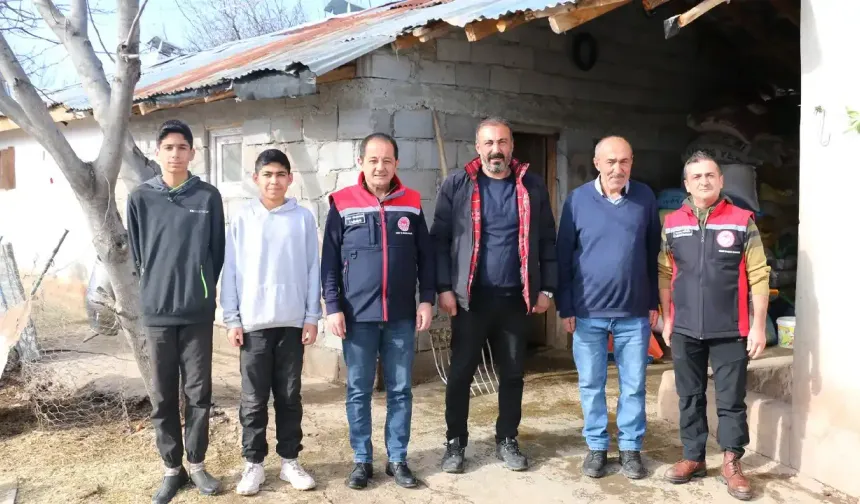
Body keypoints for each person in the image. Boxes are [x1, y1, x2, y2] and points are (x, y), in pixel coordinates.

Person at [432, 117, 558, 474]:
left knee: (514, 374)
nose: (496, 150)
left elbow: (548, 238)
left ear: (511, 146)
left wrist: (547, 288)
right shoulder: (458, 184)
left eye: (502, 142)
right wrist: (443, 288)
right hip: (470, 301)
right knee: (460, 374)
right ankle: (455, 442)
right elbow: (439, 240)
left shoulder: (531, 185)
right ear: (478, 147)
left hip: (515, 300)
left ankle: (507, 439)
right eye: (489, 143)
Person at [320, 133, 435, 490]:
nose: (380, 167)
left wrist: (426, 299)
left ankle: (398, 458)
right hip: (357, 317)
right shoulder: (341, 203)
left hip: (401, 315)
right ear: (361, 163)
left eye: (387, 160)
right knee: (358, 390)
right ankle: (361, 460)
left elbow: (426, 258)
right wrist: (333, 306)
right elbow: (329, 262)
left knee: (401, 389)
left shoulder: (412, 203)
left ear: (396, 164)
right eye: (373, 160)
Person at [659, 151, 770, 501]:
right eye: (696, 177)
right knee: (689, 396)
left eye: (710, 175)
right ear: (687, 185)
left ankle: (732, 462)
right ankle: (693, 457)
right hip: (686, 328)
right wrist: (667, 318)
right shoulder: (673, 222)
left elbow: (758, 275)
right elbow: (665, 272)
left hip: (730, 329)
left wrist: (758, 326)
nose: (704, 181)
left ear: (721, 181)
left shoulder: (741, 220)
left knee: (730, 400)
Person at [126, 119, 226, 503]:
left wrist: (201, 286)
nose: (175, 153)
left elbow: (216, 253)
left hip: (197, 313)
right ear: (158, 152)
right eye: (168, 147)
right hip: (157, 314)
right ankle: (172, 469)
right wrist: (157, 287)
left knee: (199, 393)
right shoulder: (140, 198)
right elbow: (139, 255)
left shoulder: (208, 197)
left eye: (182, 147)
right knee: (164, 396)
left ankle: (197, 465)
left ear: (192, 153)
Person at [555, 136, 661, 480]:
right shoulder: (577, 201)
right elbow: (563, 256)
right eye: (611, 162)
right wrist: (565, 305)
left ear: (632, 163)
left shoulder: (644, 197)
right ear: (597, 162)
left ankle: (630, 449)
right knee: (591, 383)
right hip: (587, 313)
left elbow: (650, 253)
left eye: (625, 162)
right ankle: (597, 448)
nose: (618, 168)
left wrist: (652, 302)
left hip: (633, 314)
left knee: (633, 384)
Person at [220, 149, 320, 496]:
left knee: (290, 396)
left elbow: (312, 270)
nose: (274, 181)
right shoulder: (242, 218)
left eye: (280, 174)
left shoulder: (303, 218)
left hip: (292, 323)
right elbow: (230, 270)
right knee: (253, 399)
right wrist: (232, 318)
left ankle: (290, 460)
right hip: (253, 324)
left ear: (290, 179)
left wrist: (311, 316)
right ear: (256, 178)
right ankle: (254, 464)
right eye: (267, 174)